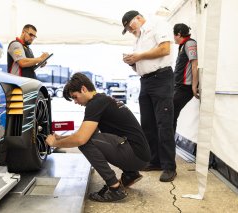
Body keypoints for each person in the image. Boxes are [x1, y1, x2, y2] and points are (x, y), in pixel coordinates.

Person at [46, 73, 150, 202]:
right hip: (140, 154)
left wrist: (55, 143)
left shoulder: (95, 104)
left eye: (75, 97)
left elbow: (81, 139)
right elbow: (87, 133)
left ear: (83, 89)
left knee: (85, 143)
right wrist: (61, 138)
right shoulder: (102, 100)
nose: (75, 102)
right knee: (91, 138)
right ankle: (130, 174)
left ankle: (114, 188)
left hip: (136, 156)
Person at [122, 10, 176, 182]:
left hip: (161, 79)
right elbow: (143, 62)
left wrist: (139, 56)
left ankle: (169, 167)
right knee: (148, 125)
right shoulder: (138, 39)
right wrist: (133, 62)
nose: (130, 30)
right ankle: (155, 161)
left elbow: (164, 49)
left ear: (138, 18)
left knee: (164, 124)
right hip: (145, 81)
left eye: (130, 26)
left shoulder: (158, 24)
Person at [173, 23, 199, 132]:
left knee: (170, 114)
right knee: (170, 116)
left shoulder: (190, 43)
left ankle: (168, 147)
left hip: (185, 88)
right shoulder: (182, 46)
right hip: (178, 86)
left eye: (174, 35)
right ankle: (167, 146)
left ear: (178, 34)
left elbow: (195, 64)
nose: (173, 38)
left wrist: (194, 86)